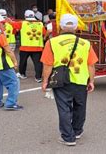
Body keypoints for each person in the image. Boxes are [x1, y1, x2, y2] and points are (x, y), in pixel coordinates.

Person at [41, 14, 98, 146]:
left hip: (61, 81)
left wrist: (45, 81)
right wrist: (91, 81)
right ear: (76, 27)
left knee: (64, 108)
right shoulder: (86, 43)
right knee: (80, 106)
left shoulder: (52, 42)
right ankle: (77, 131)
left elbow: (48, 65)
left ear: (60, 26)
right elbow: (91, 65)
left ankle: (68, 137)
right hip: (81, 80)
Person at [10, 10, 46, 82]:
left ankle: (22, 74)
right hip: (37, 47)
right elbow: (44, 33)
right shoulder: (40, 24)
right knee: (38, 63)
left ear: (25, 16)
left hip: (25, 47)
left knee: (23, 62)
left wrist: (8, 20)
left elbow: (12, 24)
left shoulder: (22, 23)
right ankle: (38, 77)